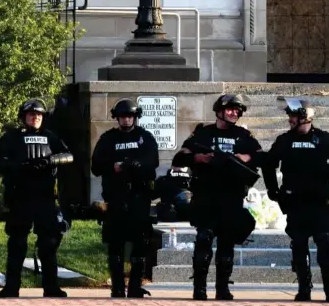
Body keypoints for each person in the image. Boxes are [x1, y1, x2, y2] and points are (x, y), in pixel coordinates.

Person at [261, 97, 329, 303]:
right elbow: (268, 164)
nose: (289, 120)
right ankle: (304, 289)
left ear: (304, 117)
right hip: (295, 203)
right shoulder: (284, 141)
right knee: (299, 245)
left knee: (325, 244)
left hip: (319, 203)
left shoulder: (325, 139)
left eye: (293, 116)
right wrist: (273, 191)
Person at [171, 94, 262, 301]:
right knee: (204, 240)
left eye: (237, 111)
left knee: (226, 245)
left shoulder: (243, 136)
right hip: (206, 197)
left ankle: (223, 288)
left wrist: (247, 157)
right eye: (230, 109)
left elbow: (265, 157)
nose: (234, 113)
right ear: (219, 111)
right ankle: (199, 288)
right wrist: (198, 158)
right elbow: (179, 157)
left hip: (231, 198)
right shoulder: (203, 134)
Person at [0, 98, 74, 298]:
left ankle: (51, 288)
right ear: (24, 117)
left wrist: (49, 161)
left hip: (45, 199)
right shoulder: (12, 137)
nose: (36, 117)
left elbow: (69, 156)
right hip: (20, 198)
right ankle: (11, 288)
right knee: (17, 244)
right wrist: (21, 166)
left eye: (39, 115)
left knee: (48, 244)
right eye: (32, 114)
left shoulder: (50, 137)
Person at [91, 98, 159, 298]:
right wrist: (113, 166)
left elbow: (153, 162)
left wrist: (135, 165)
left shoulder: (145, 137)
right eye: (123, 117)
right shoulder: (108, 138)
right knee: (116, 244)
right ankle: (118, 287)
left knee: (140, 244)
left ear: (135, 117)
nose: (126, 120)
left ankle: (136, 286)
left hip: (139, 197)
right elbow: (96, 166)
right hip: (116, 198)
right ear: (117, 118)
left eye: (130, 116)